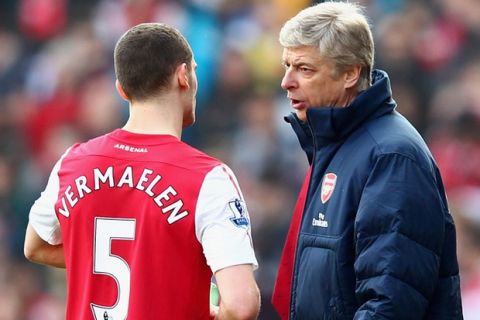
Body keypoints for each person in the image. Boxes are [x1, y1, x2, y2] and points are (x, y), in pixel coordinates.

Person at [24, 22, 260, 320]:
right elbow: (241, 306)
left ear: (121, 89)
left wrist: (134, 267)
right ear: (183, 76)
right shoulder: (207, 178)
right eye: (195, 70)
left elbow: (35, 246)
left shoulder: (73, 162)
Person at [272, 2, 463, 319]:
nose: (287, 81)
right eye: (287, 66)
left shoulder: (391, 157)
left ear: (350, 73)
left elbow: (391, 303)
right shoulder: (338, 145)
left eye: (305, 69)